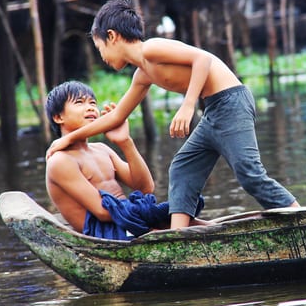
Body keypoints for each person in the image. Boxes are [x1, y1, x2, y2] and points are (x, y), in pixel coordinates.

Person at [46, 0, 299, 229]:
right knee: (181, 168)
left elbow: (202, 59)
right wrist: (67, 139)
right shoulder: (142, 74)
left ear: (111, 36)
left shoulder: (151, 49)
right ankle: (179, 235)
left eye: (100, 49)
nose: (102, 58)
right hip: (213, 109)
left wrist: (188, 106)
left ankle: (298, 217)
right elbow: (115, 117)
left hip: (231, 102)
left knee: (249, 173)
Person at [44, 80, 203, 240]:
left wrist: (125, 142)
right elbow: (103, 212)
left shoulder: (102, 149)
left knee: (187, 214)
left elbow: (146, 187)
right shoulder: (60, 160)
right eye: (79, 102)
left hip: (128, 220)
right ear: (58, 117)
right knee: (174, 219)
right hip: (105, 233)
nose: (91, 107)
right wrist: (147, 213)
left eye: (93, 102)